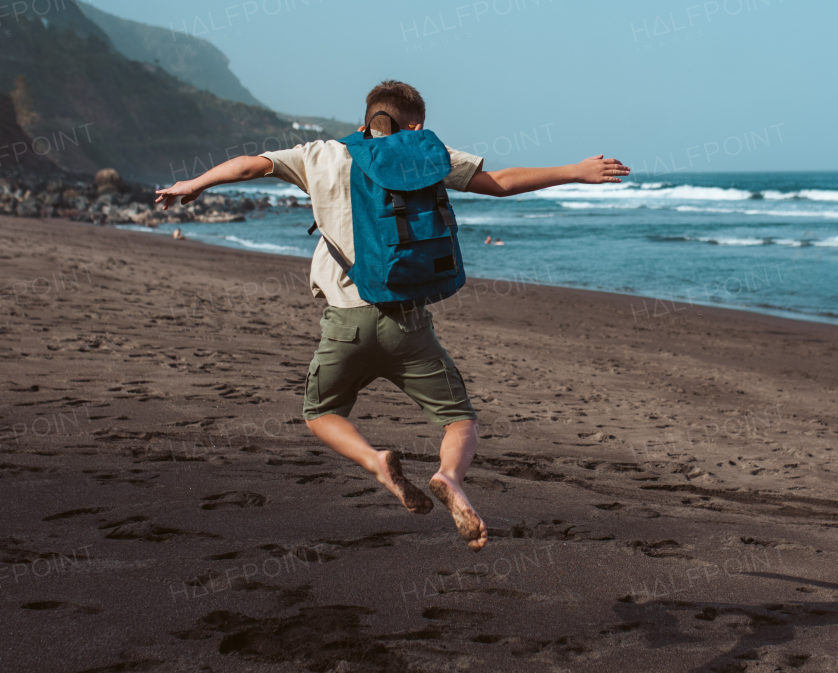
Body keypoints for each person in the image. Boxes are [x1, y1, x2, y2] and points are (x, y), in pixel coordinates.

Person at [155, 80, 630, 550]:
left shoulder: (320, 153)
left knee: (320, 413)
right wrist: (575, 170)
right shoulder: (424, 154)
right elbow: (500, 184)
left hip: (345, 324)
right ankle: (449, 476)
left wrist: (193, 184)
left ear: (366, 117)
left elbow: (249, 167)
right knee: (459, 420)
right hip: (408, 324)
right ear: (415, 123)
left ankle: (376, 461)